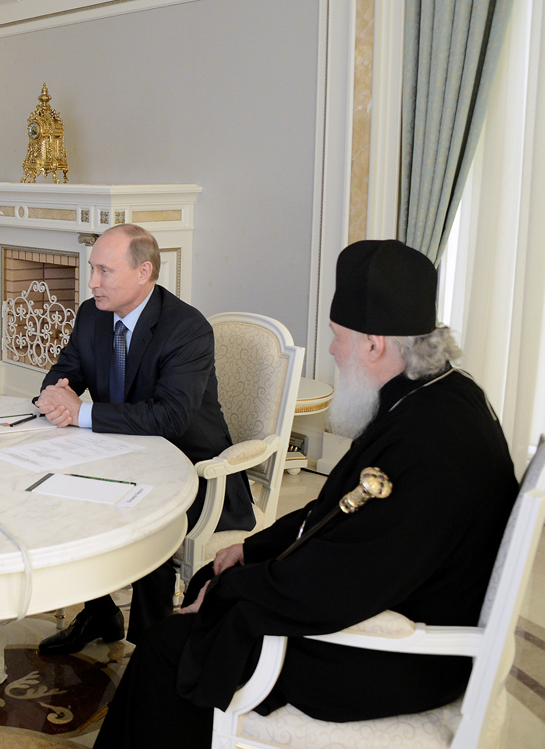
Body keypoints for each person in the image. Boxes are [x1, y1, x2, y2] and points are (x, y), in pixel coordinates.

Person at [93, 240, 518, 749]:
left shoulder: (428, 443)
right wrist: (252, 549)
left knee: (170, 646)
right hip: (391, 601)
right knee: (212, 580)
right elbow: (338, 513)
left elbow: (348, 578)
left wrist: (233, 593)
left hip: (394, 657)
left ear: (374, 345)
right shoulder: (437, 394)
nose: (333, 351)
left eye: (338, 338)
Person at [34, 223, 255, 655]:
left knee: (144, 520)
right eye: (92, 269)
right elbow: (63, 375)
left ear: (144, 272)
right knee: (59, 496)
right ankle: (100, 611)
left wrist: (82, 412)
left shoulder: (186, 328)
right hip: (121, 455)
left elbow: (171, 417)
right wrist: (55, 397)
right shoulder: (92, 314)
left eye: (104, 271)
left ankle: (151, 647)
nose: (92, 282)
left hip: (191, 470)